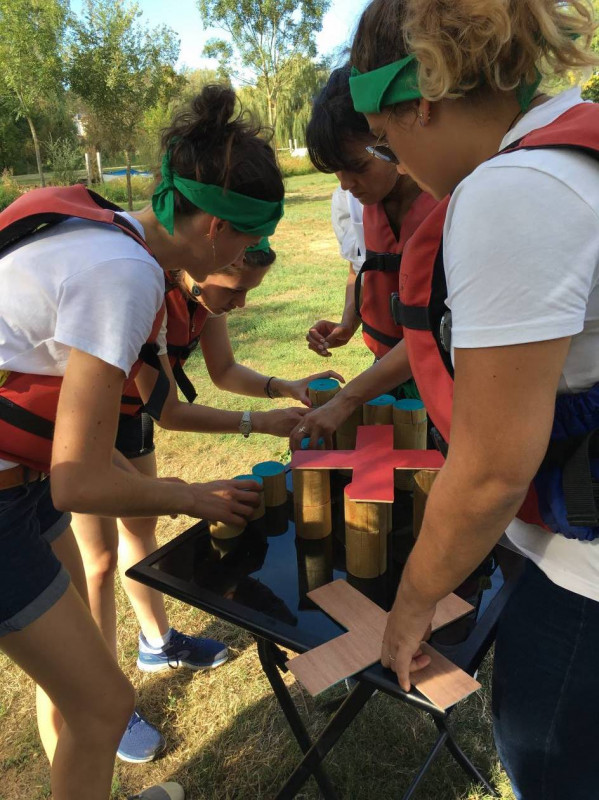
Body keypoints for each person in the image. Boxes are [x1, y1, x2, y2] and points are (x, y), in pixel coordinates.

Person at [0, 84, 283, 800]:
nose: (253, 257)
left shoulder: (107, 234)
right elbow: (81, 480)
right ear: (216, 227)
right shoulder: (124, 273)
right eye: (252, 242)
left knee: (81, 685)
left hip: (20, 483)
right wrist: (194, 496)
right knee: (105, 706)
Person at [349, 1, 599, 797]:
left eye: (385, 137)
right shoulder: (577, 149)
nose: (395, 159)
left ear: (420, 98)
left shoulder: (516, 188)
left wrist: (412, 603)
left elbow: (492, 468)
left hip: (582, 581)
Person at [71, 240, 342, 763]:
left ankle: (156, 644)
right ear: (203, 266)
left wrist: (284, 387)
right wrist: (253, 425)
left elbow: (222, 371)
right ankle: (104, 701)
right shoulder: (147, 292)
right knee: (100, 561)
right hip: (79, 415)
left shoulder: (203, 294)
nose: (240, 305)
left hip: (129, 412)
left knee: (141, 528)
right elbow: (169, 409)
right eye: (237, 290)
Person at [293, 64, 436, 448]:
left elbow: (431, 333)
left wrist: (347, 399)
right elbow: (360, 265)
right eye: (336, 172)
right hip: (385, 371)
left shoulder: (444, 198)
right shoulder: (354, 200)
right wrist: (348, 323)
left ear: (389, 137)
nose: (346, 183)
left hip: (440, 376)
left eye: (356, 167)